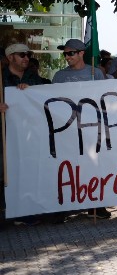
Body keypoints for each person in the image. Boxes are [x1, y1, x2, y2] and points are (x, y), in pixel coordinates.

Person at [51, 39, 108, 220]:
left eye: (71, 53)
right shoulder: (59, 76)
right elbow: (51, 100)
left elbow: (104, 98)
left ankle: (96, 205)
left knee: (92, 167)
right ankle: (63, 207)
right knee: (67, 167)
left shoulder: (96, 73)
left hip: (90, 129)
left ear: (81, 53)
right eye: (65, 54)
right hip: (67, 129)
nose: (67, 57)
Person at [2, 43, 47, 224]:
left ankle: (25, 212)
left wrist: (32, 92)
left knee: (28, 171)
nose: (26, 58)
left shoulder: (34, 78)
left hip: (29, 135)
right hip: (5, 135)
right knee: (5, 173)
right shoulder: (1, 78)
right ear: (10, 57)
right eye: (22, 55)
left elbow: (45, 100)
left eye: (28, 54)